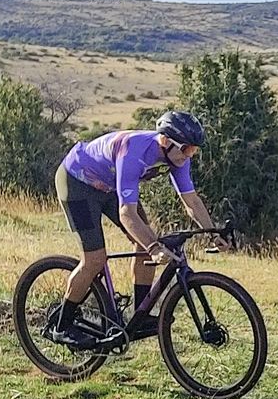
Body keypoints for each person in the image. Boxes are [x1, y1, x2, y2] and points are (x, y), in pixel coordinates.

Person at [51, 111, 224, 347]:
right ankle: (62, 325)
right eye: (186, 149)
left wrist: (212, 233)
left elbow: (191, 201)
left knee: (144, 239)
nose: (189, 155)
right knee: (95, 259)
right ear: (165, 141)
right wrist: (153, 247)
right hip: (77, 182)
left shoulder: (178, 156)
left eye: (193, 150)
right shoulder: (133, 151)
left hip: (108, 187)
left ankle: (139, 317)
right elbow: (127, 213)